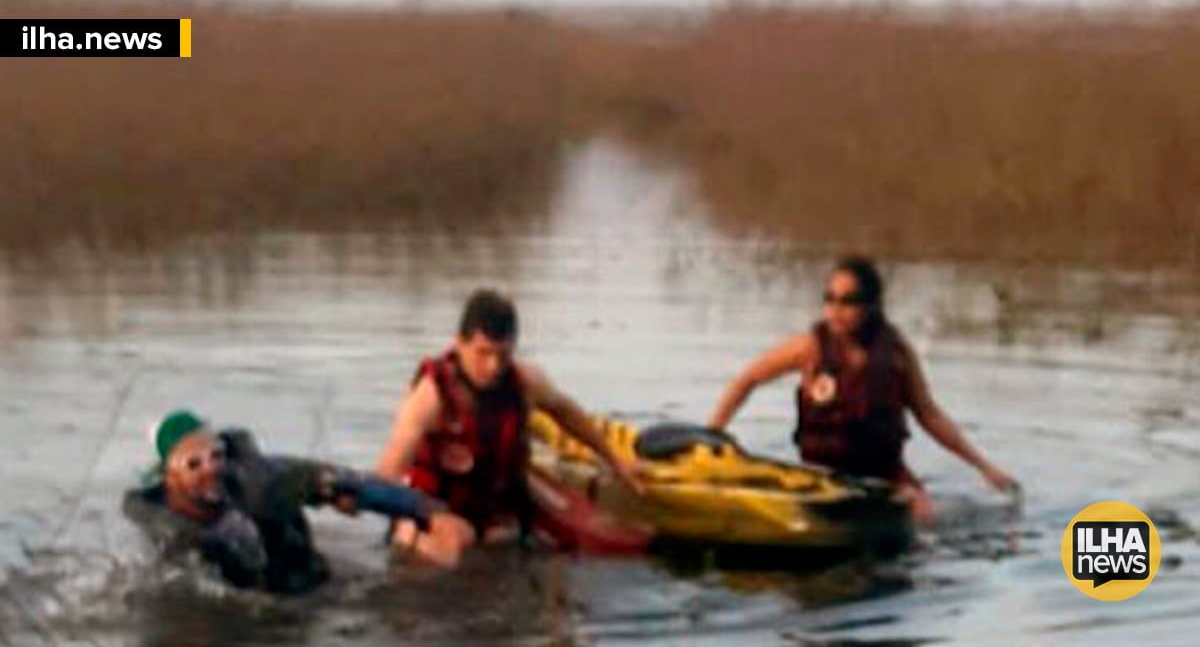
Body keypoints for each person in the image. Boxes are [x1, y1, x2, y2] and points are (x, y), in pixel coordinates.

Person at [707, 256, 1016, 520]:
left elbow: (929, 414)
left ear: (870, 306)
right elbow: (746, 381)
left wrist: (985, 468)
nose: (835, 310)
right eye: (829, 299)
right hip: (824, 474)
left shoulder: (895, 353)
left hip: (884, 475)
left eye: (847, 301)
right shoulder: (810, 349)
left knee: (922, 517)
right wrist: (710, 436)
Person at [375, 289, 642, 567]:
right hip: (437, 511)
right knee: (452, 545)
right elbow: (389, 473)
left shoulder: (525, 382)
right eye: (483, 353)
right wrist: (365, 499)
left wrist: (616, 461)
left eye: (503, 355)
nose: (493, 367)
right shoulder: (430, 396)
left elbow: (567, 413)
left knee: (530, 552)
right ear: (459, 345)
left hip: (497, 513)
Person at [124, 410, 435, 593]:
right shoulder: (159, 520)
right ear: (169, 477)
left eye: (216, 456)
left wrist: (425, 510)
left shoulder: (259, 480)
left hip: (305, 585)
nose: (211, 470)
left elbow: (353, 484)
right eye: (194, 465)